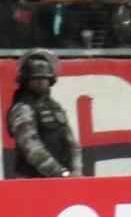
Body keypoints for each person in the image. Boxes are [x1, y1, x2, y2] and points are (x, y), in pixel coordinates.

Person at [6, 49, 82, 178]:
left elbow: (72, 144)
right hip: (33, 181)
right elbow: (31, 148)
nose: (41, 82)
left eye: (44, 78)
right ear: (26, 81)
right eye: (35, 78)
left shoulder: (55, 107)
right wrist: (60, 173)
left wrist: (76, 171)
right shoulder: (22, 108)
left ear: (51, 80)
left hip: (64, 179)